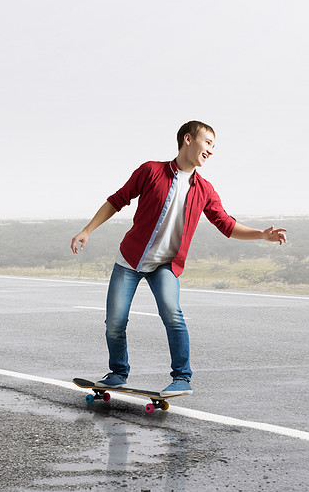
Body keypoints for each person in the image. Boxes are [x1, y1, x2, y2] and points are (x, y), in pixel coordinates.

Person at [70, 121, 286, 395]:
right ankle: (117, 373)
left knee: (173, 314)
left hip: (165, 265)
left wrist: (261, 235)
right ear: (188, 139)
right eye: (208, 143)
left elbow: (227, 225)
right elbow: (117, 199)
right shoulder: (151, 171)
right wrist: (87, 230)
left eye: (213, 146)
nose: (210, 150)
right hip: (130, 260)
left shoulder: (205, 189)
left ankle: (182, 378)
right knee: (115, 321)